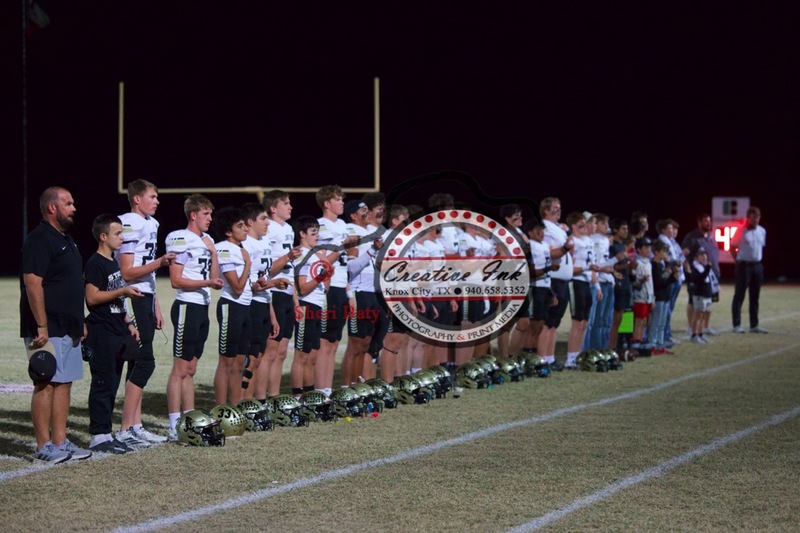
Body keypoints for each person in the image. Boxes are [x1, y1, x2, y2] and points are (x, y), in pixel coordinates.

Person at [20, 186, 92, 463]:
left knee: (64, 384)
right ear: (52, 207)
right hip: (46, 327)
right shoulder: (40, 239)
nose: (74, 208)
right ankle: (43, 446)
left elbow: (69, 285)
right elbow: (33, 282)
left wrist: (80, 320)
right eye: (68, 203)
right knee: (45, 382)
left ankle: (60, 441)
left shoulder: (66, 239)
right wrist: (41, 325)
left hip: (68, 326)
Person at [116, 179, 175, 447]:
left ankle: (135, 425)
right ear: (137, 199)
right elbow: (128, 272)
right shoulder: (128, 222)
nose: (157, 201)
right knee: (144, 361)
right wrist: (160, 262)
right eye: (152, 196)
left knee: (137, 362)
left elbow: (147, 273)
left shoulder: (151, 223)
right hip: (132, 296)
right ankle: (126, 427)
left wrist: (156, 304)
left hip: (146, 297)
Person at [164, 194, 224, 440]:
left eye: (211, 213)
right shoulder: (179, 238)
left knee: (191, 367)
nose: (210, 218)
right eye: (206, 214)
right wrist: (208, 281)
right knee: (180, 368)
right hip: (187, 306)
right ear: (193, 215)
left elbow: (216, 279)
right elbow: (176, 280)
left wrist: (214, 253)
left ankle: (190, 418)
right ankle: (173, 423)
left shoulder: (207, 240)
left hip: (201, 306)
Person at [84, 214, 143, 454]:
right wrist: (123, 290)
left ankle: (106, 432)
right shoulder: (95, 262)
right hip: (101, 331)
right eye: (117, 233)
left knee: (113, 382)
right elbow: (92, 297)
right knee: (102, 383)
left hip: (117, 329)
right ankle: (98, 435)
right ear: (103, 236)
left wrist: (129, 322)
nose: (122, 237)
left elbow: (117, 298)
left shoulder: (113, 261)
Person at [315, 185, 358, 396]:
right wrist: (342, 245)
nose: (342, 202)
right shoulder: (321, 226)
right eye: (338, 199)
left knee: (334, 342)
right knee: (325, 343)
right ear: (326, 203)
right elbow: (322, 262)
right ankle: (320, 391)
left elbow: (344, 263)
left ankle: (328, 390)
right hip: (328, 288)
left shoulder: (342, 224)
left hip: (341, 286)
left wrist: (349, 294)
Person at [260, 190, 302, 399]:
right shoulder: (269, 230)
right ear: (273, 208)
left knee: (282, 352)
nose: (290, 206)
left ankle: (275, 397)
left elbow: (290, 270)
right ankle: (262, 399)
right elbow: (266, 271)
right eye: (285, 203)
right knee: (270, 352)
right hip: (274, 292)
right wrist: (287, 256)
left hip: (287, 293)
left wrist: (295, 298)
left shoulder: (288, 229)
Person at [240, 202, 284, 401]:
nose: (268, 223)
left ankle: (251, 405)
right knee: (248, 360)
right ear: (251, 222)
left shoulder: (264, 243)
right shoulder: (246, 245)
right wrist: (274, 282)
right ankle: (241, 404)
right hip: (250, 305)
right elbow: (251, 286)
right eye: (263, 219)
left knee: (257, 359)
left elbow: (263, 284)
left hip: (264, 304)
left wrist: (272, 315)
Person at [211, 207, 253, 405]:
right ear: (228, 231)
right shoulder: (226, 249)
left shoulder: (240, 249)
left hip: (244, 306)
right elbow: (236, 287)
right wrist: (247, 265)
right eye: (240, 225)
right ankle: (221, 410)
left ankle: (234, 408)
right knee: (226, 362)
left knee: (239, 363)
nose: (245, 228)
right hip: (232, 306)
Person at [341, 199, 383, 386]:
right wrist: (373, 250)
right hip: (359, 292)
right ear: (353, 216)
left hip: (371, 292)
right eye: (363, 211)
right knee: (355, 345)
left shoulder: (368, 232)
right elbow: (351, 267)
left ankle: (357, 387)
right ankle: (346, 388)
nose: (368, 213)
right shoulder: (352, 231)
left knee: (365, 344)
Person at [293, 216, 330, 396]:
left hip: (318, 305)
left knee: (313, 355)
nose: (317, 236)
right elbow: (303, 288)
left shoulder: (316, 254)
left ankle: (309, 395)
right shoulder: (302, 255)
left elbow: (325, 287)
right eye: (313, 232)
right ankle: (297, 397)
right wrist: (321, 276)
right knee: (302, 355)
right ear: (302, 234)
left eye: (318, 232)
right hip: (306, 305)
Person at [539, 197, 574, 370]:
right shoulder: (545, 228)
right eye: (554, 208)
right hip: (553, 279)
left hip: (563, 280)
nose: (558, 210)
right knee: (547, 321)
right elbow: (548, 253)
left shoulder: (558, 228)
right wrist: (565, 248)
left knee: (554, 322)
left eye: (559, 207)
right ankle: (542, 359)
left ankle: (550, 357)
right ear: (545, 210)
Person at [682, 213, 720, 337]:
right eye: (705, 221)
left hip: (711, 274)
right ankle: (691, 326)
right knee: (693, 301)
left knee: (708, 301)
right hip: (697, 274)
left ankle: (706, 326)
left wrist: (716, 268)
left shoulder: (711, 236)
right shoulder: (692, 237)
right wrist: (689, 272)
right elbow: (685, 255)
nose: (708, 223)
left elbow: (714, 255)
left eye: (709, 221)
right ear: (699, 222)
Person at [731, 206, 768, 333]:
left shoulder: (762, 231)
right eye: (753, 218)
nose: (755, 220)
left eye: (757, 218)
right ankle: (736, 324)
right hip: (744, 266)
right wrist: (737, 260)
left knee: (755, 296)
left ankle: (754, 325)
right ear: (748, 218)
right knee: (739, 295)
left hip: (757, 265)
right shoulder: (741, 231)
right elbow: (732, 247)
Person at [649, 240, 679, 355]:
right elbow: (659, 282)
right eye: (663, 251)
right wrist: (670, 275)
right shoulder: (654, 265)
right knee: (656, 322)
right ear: (656, 252)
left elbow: (665, 279)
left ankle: (660, 345)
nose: (666, 254)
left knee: (662, 323)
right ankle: (653, 344)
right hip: (659, 297)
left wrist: (672, 275)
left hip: (665, 297)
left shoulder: (661, 264)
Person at [688, 247, 716, 344]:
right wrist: (708, 268)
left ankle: (700, 334)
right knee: (698, 315)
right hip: (700, 295)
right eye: (701, 255)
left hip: (706, 294)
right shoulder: (696, 268)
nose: (704, 257)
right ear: (696, 257)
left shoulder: (703, 266)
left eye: (705, 255)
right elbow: (700, 279)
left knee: (703, 315)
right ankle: (694, 335)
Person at [631, 237, 654, 348]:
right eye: (645, 247)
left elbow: (651, 283)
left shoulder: (648, 263)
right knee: (639, 320)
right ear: (639, 249)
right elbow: (634, 282)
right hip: (639, 297)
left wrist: (652, 298)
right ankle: (636, 339)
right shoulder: (637, 263)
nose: (648, 250)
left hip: (648, 296)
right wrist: (641, 280)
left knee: (644, 320)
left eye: (649, 247)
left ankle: (640, 338)